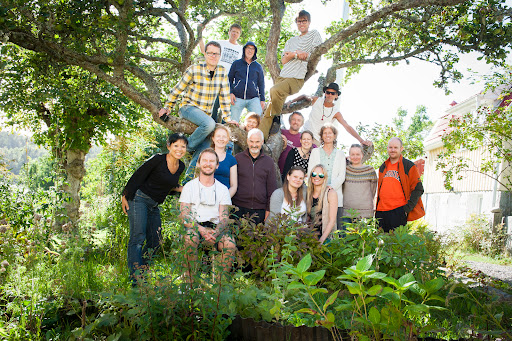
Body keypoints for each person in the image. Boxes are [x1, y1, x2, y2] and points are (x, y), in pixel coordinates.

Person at [159, 41, 237, 179]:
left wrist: (227, 118)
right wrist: (167, 107)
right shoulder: (194, 69)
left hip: (204, 115)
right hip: (188, 108)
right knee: (210, 124)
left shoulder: (222, 72)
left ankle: (188, 180)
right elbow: (178, 89)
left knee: (206, 146)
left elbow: (224, 96)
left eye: (216, 53)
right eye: (210, 53)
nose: (213, 56)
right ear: (205, 54)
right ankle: (186, 147)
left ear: (220, 56)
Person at [121, 133, 188, 281]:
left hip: (154, 205)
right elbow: (138, 175)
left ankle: (142, 272)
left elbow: (165, 186)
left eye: (183, 146)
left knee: (155, 241)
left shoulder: (180, 166)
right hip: (138, 199)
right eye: (176, 145)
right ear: (168, 146)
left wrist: (180, 189)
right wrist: (124, 196)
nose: (179, 149)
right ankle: (136, 280)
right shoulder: (158, 159)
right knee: (137, 238)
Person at [259, 10, 322, 139]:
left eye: (304, 21)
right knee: (267, 113)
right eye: (299, 21)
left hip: (296, 78)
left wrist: (297, 55)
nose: (301, 23)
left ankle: (277, 117)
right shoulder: (291, 41)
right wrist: (296, 54)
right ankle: (260, 140)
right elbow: (284, 60)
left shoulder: (314, 34)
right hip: (283, 76)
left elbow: (316, 56)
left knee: (274, 90)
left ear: (309, 22)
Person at [180, 148, 236, 281]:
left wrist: (215, 232)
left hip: (215, 229)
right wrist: (202, 230)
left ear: (217, 165)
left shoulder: (223, 189)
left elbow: (224, 218)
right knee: (190, 238)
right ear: (198, 164)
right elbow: (184, 215)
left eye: (212, 161)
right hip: (194, 227)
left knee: (230, 243)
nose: (208, 164)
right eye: (204, 160)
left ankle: (219, 284)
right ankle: (189, 280)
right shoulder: (189, 187)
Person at [375, 137, 425, 232]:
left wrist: (406, 209)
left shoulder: (408, 166)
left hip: (398, 211)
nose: (392, 150)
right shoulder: (383, 166)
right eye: (390, 147)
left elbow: (418, 189)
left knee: (396, 244)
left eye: (395, 147)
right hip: (381, 211)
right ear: (387, 148)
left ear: (401, 149)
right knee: (379, 243)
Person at [303, 82, 372, 146]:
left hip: (316, 140)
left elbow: (347, 127)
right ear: (325, 93)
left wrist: (361, 141)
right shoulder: (316, 100)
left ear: (336, 96)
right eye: (328, 92)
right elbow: (304, 96)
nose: (330, 95)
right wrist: (292, 101)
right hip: (305, 132)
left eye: (333, 93)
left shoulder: (336, 112)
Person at [232, 128, 277, 225]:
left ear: (262, 142)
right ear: (247, 141)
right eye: (251, 141)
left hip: (259, 210)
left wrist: (268, 209)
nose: (254, 145)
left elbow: (272, 188)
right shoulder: (238, 158)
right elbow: (231, 183)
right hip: (239, 208)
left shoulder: (268, 162)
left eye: (257, 142)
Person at [200, 24, 244, 122]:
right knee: (213, 105)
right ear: (229, 32)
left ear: (239, 35)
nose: (234, 34)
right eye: (233, 31)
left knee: (228, 107)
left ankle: (225, 130)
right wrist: (200, 35)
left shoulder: (241, 50)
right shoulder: (220, 44)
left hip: (230, 82)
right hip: (217, 77)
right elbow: (204, 51)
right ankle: (211, 127)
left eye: (237, 32)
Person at [307, 124, 346, 228]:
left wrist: (330, 188)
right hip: (317, 197)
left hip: (335, 195)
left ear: (334, 135)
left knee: (335, 228)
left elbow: (342, 175)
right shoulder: (315, 152)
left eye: (330, 133)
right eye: (325, 133)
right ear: (321, 136)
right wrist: (320, 190)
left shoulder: (340, 154)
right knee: (317, 228)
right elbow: (311, 172)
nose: (327, 135)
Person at [228, 41, 265, 121]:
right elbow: (229, 79)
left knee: (259, 120)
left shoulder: (258, 67)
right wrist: (230, 92)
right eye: (248, 48)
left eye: (252, 49)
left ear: (255, 52)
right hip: (237, 98)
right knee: (233, 122)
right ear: (244, 50)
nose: (250, 50)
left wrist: (262, 99)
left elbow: (261, 84)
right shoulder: (236, 63)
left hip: (253, 99)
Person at [342, 144, 378, 221]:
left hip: (366, 213)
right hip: (347, 213)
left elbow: (373, 190)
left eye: (358, 154)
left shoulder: (370, 170)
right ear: (349, 155)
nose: (355, 157)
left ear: (362, 155)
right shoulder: (345, 170)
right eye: (352, 154)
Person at [306, 164, 338, 244]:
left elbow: (332, 221)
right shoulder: (307, 193)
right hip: (309, 237)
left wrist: (321, 241)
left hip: (326, 238)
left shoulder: (331, 193)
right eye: (314, 174)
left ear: (324, 178)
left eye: (320, 175)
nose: (317, 177)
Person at [211, 124, 238, 197]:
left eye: (224, 137)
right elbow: (197, 179)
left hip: (224, 198)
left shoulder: (231, 160)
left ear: (228, 140)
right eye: (218, 136)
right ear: (213, 138)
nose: (221, 139)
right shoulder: (204, 156)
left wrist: (224, 199)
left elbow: (234, 185)